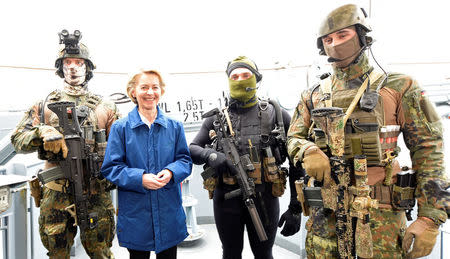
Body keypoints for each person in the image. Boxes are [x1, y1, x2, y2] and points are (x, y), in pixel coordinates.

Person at [287, 4, 449, 259]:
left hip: (379, 218)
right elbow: (293, 136)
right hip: (326, 219)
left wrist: (430, 218)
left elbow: (429, 151)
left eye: (343, 35)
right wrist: (307, 149)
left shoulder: (399, 86)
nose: (335, 44)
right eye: (328, 39)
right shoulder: (313, 95)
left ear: (363, 35)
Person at [11, 30, 118, 258]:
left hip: (95, 193)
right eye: (68, 62)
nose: (73, 67)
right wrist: (41, 131)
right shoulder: (44, 105)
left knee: (102, 254)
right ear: (61, 67)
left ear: (87, 68)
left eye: (79, 62)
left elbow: (122, 148)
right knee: (57, 254)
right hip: (55, 193)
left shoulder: (106, 107)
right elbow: (18, 140)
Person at [189, 56, 303, 259]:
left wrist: (295, 206)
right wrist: (213, 156)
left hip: (264, 198)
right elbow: (193, 149)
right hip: (225, 199)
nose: (240, 80)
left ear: (256, 79)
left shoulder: (276, 114)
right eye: (234, 76)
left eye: (245, 75)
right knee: (231, 253)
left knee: (264, 253)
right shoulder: (217, 118)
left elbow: (297, 162)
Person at [101, 69, 192, 259]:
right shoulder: (120, 128)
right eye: (144, 87)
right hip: (136, 215)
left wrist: (171, 172)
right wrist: (140, 178)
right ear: (133, 92)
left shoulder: (174, 127)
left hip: (168, 212)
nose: (150, 92)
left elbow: (184, 160)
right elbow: (111, 167)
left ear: (161, 91)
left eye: (154, 87)